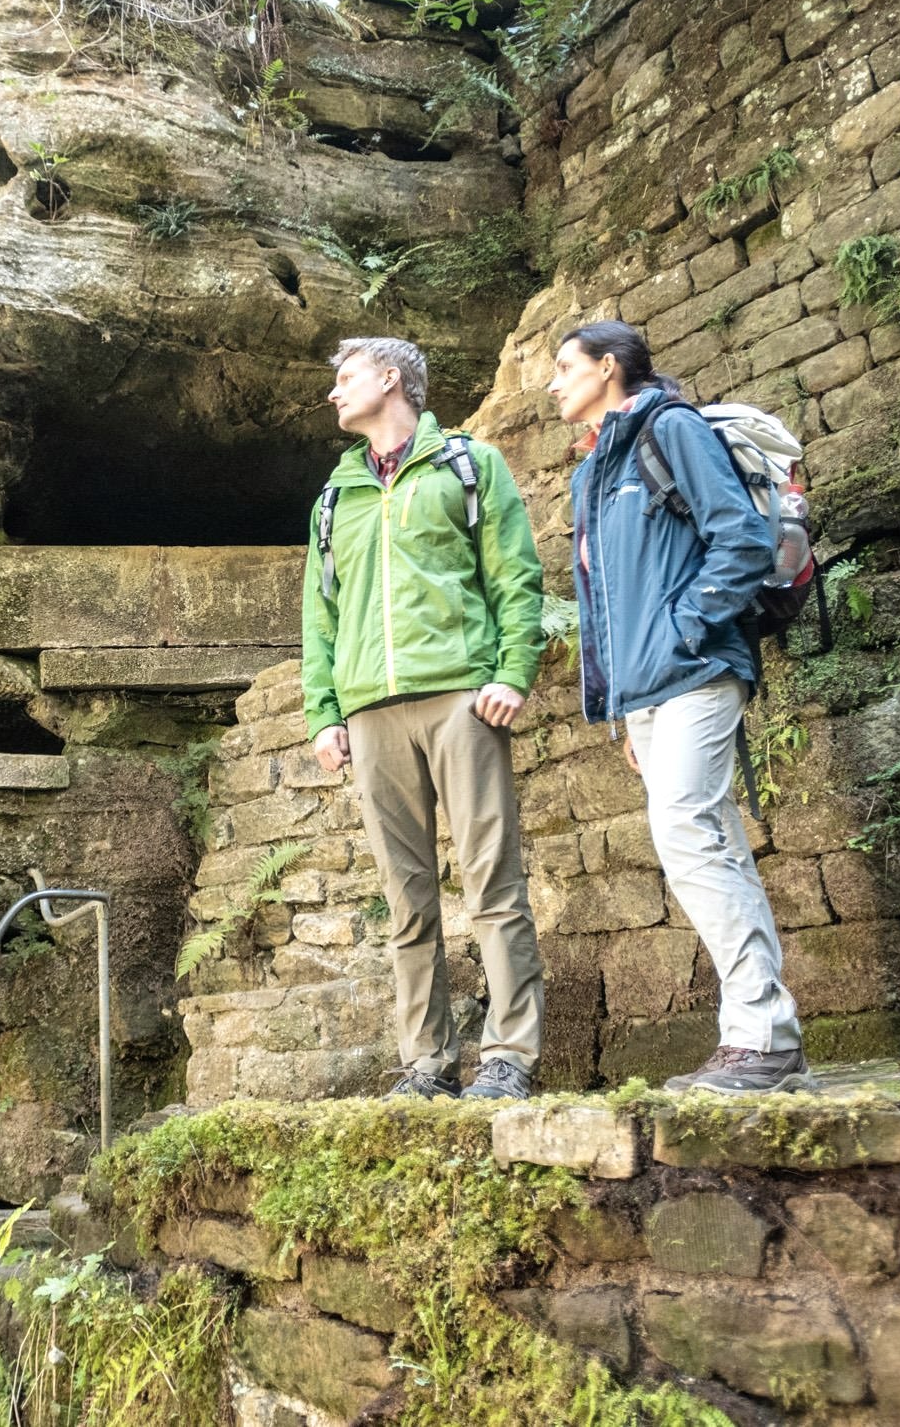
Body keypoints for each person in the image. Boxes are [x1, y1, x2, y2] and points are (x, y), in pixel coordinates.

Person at [547, 319, 810, 1094]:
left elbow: (741, 539)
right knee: (710, 839)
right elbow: (604, 601)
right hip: (651, 693)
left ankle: (760, 1034)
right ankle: (767, 1039)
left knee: (687, 831)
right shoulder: (592, 472)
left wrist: (686, 629)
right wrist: (627, 704)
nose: (553, 384)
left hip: (698, 667)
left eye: (564, 367)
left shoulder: (671, 429)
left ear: (608, 367)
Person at [302, 336, 549, 1101]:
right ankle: (427, 1063)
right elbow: (319, 615)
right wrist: (324, 712)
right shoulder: (335, 499)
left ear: (390, 378)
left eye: (346, 377)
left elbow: (515, 577)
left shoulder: (469, 466)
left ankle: (509, 1056)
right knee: (406, 901)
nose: (334, 392)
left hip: (459, 698)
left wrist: (512, 671)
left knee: (493, 883)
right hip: (370, 711)